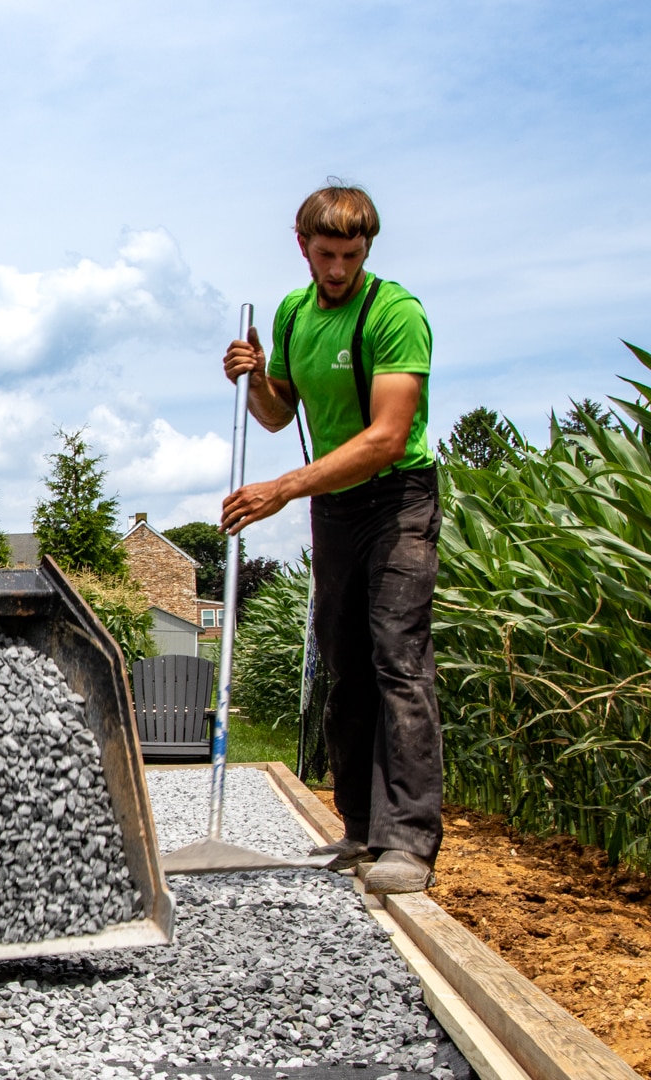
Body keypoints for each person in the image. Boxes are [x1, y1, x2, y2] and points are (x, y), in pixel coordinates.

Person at [219, 185, 441, 894]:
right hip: (335, 505)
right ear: (303, 246)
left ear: (367, 249)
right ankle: (360, 828)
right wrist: (253, 378)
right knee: (344, 659)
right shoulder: (293, 312)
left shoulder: (395, 314)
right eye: (327, 254)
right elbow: (279, 414)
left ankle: (409, 842)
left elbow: (386, 437)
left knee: (397, 658)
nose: (339, 268)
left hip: (398, 498)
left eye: (352, 254)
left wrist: (281, 489)